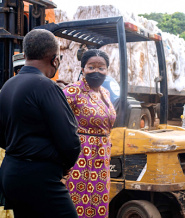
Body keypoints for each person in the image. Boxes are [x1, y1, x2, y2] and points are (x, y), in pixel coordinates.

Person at [0, 29, 81, 218]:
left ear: (25, 55)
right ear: (55, 59)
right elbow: (70, 142)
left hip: (11, 173)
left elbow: (2, 136)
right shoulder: (46, 87)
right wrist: (63, 166)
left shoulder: (7, 86)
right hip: (39, 176)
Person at [63, 49, 116, 217]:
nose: (96, 71)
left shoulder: (105, 93)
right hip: (81, 156)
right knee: (79, 200)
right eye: (91, 67)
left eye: (101, 68)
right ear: (82, 68)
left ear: (107, 70)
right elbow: (56, 120)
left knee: (99, 200)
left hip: (102, 156)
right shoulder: (73, 91)